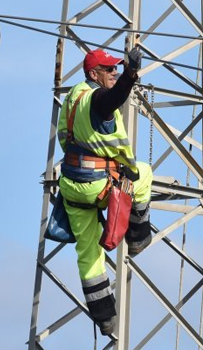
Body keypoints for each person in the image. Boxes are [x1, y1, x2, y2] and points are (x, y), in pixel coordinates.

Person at [57, 47, 153, 335]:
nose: (113, 72)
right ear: (93, 74)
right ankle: (137, 238)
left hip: (72, 187)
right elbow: (111, 100)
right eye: (109, 69)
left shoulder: (73, 96)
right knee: (144, 175)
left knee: (88, 253)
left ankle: (105, 318)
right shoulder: (96, 100)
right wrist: (130, 74)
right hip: (98, 185)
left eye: (115, 69)